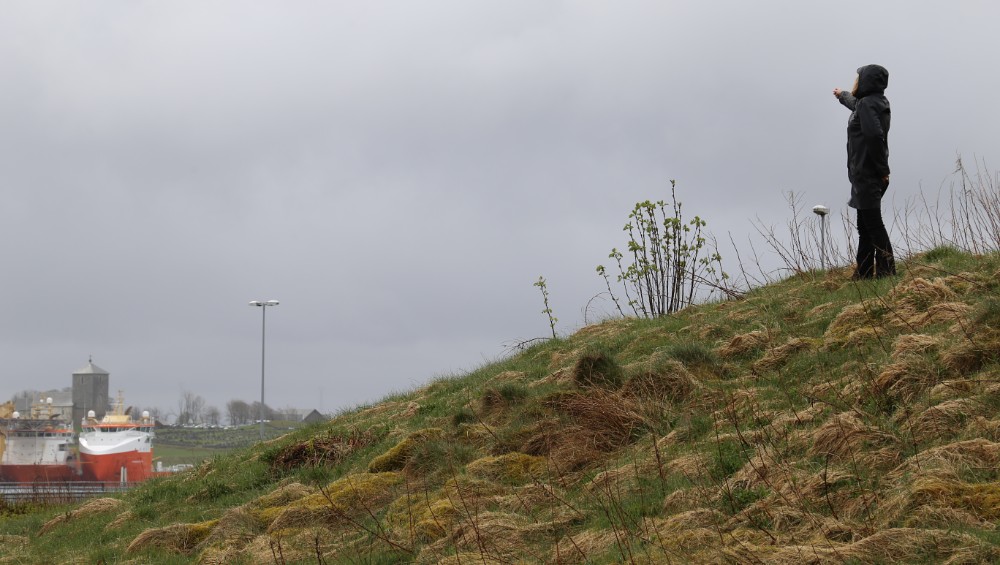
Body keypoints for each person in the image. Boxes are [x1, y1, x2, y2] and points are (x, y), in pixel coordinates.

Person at [833, 64, 896, 279]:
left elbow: (874, 136)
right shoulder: (872, 102)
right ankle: (865, 272)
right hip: (866, 174)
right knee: (865, 226)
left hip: (868, 174)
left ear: (866, 81)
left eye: (859, 77)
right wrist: (842, 95)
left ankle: (887, 272)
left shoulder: (868, 104)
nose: (856, 81)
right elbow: (856, 105)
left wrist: (882, 170)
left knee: (873, 226)